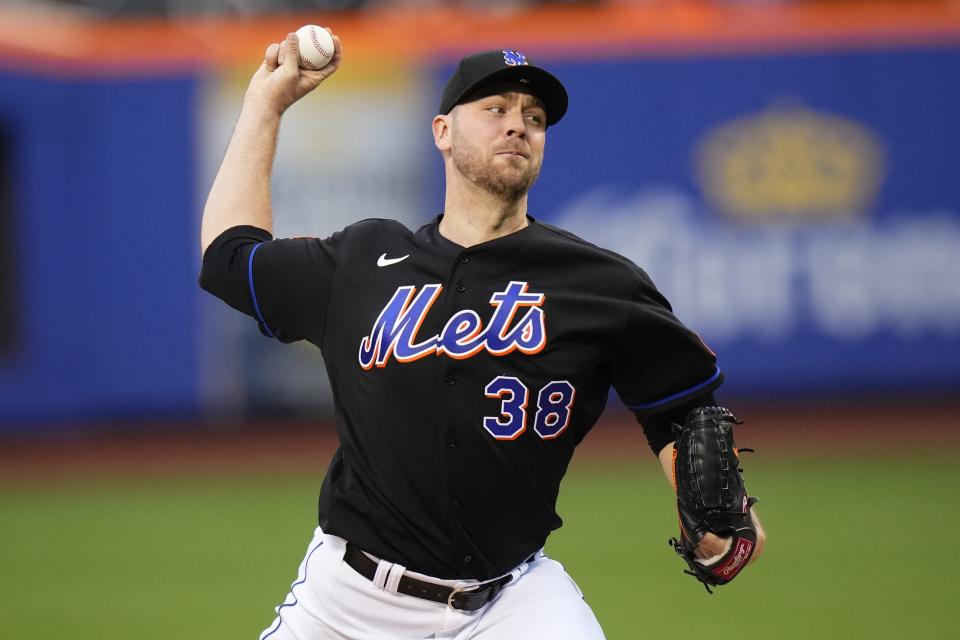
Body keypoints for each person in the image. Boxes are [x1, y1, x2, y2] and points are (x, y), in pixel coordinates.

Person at [199, 31, 765, 640]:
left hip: (511, 601)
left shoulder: (601, 284)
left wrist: (722, 519)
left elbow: (682, 409)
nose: (518, 126)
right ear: (443, 131)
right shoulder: (363, 259)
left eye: (535, 117)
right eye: (495, 110)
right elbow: (228, 258)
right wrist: (265, 103)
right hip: (348, 601)